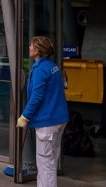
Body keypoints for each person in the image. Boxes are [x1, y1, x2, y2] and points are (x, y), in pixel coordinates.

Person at [17, 36, 69, 187]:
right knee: (51, 162)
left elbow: (36, 97)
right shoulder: (52, 67)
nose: (29, 48)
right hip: (58, 119)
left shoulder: (40, 70)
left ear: (37, 50)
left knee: (45, 163)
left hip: (48, 122)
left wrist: (25, 116)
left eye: (31, 45)